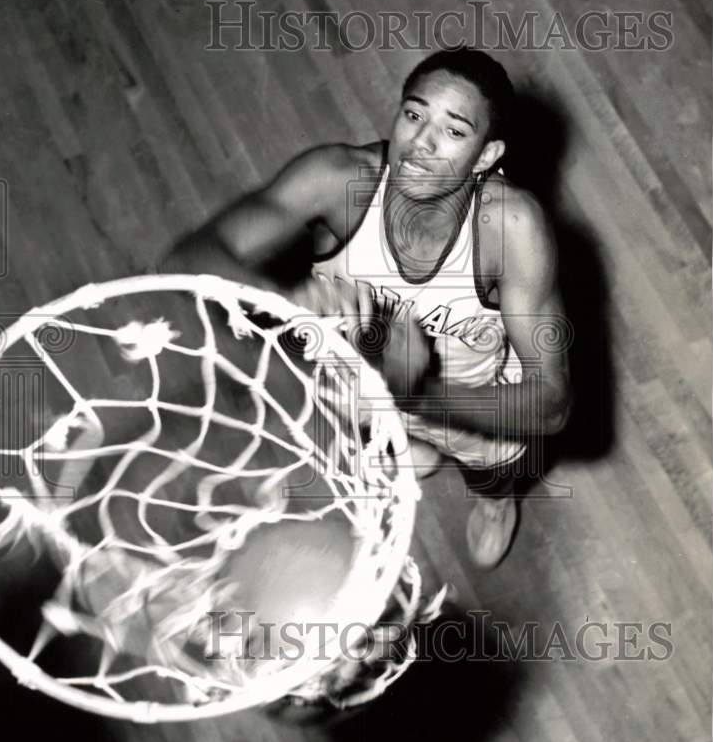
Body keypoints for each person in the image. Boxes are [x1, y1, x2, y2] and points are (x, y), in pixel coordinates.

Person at [159, 48, 571, 570]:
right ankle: (409, 449)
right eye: (414, 114)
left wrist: (418, 390)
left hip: (471, 400)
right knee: (368, 433)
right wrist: (286, 307)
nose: (420, 143)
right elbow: (186, 257)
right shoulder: (338, 179)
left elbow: (552, 405)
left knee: (489, 467)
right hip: (354, 385)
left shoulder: (512, 227)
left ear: (486, 157)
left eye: (454, 131)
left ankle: (494, 502)